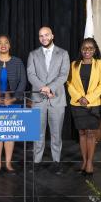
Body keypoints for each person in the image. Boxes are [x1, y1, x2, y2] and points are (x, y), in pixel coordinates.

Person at [27, 26, 70, 174]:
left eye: (46, 35)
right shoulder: (33, 54)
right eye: (41, 36)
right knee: (37, 133)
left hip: (56, 99)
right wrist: (44, 88)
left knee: (56, 133)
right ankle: (37, 162)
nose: (44, 38)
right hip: (38, 100)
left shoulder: (63, 53)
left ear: (52, 35)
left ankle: (56, 161)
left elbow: (64, 75)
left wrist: (50, 87)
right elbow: (31, 75)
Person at [0, 35, 27, 174]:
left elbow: (23, 82)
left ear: (9, 45)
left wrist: (13, 99)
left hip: (12, 103)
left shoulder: (17, 62)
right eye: (0, 43)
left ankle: (8, 163)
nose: (3, 45)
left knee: (9, 134)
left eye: (6, 42)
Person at [67, 38, 101, 176]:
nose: (87, 50)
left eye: (90, 48)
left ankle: (90, 162)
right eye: (84, 48)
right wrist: (79, 97)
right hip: (77, 104)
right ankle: (84, 161)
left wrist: (88, 98)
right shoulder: (74, 64)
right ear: (81, 50)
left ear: (95, 50)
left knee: (91, 133)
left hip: (94, 103)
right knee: (82, 133)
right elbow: (69, 83)